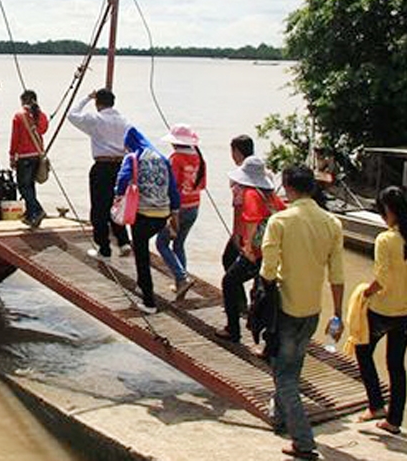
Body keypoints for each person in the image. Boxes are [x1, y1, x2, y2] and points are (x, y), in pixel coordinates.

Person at [260, 165, 345, 460]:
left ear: (288, 187)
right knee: (293, 367)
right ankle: (282, 417)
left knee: (283, 373)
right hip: (312, 309)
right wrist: (338, 314)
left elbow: (268, 269)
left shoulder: (280, 220)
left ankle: (304, 441)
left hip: (285, 307)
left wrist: (266, 288)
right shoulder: (332, 223)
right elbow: (337, 274)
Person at [355, 186, 407, 435]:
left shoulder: (385, 239)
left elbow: (382, 278)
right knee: (396, 365)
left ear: (387, 210)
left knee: (362, 351)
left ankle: (376, 405)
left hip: (381, 311)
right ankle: (394, 421)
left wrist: (365, 293)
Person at [217, 155, 286, 342]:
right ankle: (266, 338)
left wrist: (248, 248)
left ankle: (233, 330)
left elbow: (252, 220)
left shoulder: (250, 195)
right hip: (271, 252)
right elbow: (283, 215)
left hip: (256, 252)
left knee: (229, 282)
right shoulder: (270, 195)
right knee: (265, 295)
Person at [115, 127, 181, 314]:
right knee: (148, 249)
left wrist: (118, 197)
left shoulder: (133, 158)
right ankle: (141, 285)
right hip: (162, 215)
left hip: (142, 215)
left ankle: (149, 302)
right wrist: (174, 214)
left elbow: (122, 181)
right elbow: (173, 190)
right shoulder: (162, 158)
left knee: (142, 257)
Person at [67, 88, 132, 260]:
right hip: (121, 167)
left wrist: (87, 98)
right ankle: (124, 241)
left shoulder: (95, 119)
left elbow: (72, 115)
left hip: (102, 166)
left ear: (98, 103)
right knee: (118, 205)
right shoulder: (125, 122)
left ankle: (104, 248)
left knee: (99, 208)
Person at [155, 124, 206, 300]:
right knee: (179, 244)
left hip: (178, 209)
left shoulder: (176, 159)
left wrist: (169, 212)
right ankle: (180, 285)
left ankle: (182, 278)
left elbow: (171, 186)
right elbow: (202, 185)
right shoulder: (199, 158)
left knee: (161, 244)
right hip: (194, 206)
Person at [10, 90, 49, 228]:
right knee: (30, 185)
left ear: (23, 101)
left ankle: (37, 210)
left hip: (24, 156)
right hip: (37, 156)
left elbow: (15, 138)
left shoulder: (19, 116)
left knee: (23, 186)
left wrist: (11, 155)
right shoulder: (41, 115)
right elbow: (44, 130)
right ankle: (30, 214)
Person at [223, 135, 255, 272]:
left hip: (245, 228)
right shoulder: (262, 172)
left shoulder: (239, 177)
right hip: (260, 227)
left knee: (228, 260)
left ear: (236, 151)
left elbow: (238, 207)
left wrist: (236, 235)